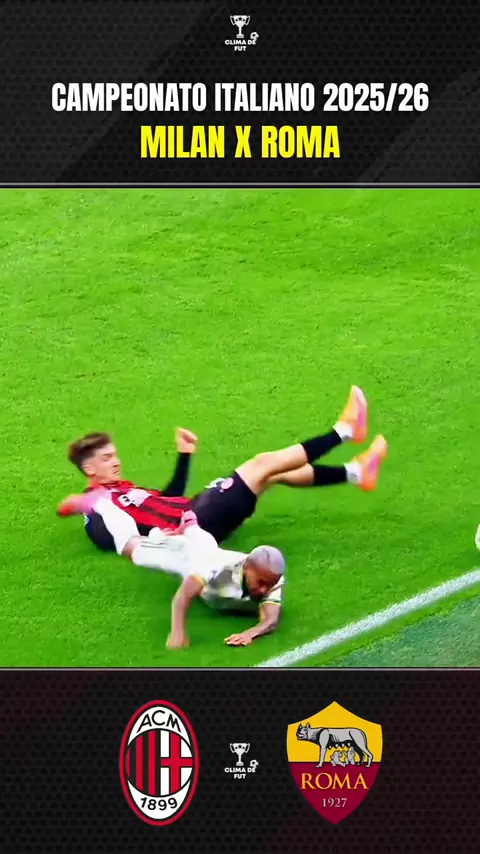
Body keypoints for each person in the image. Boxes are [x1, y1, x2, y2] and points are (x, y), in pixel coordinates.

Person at [57, 386, 388, 550]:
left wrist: (184, 456)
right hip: (196, 524)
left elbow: (170, 497)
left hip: (196, 512)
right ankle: (345, 430)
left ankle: (358, 473)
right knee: (261, 464)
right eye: (106, 458)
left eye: (114, 455)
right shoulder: (98, 506)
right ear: (89, 469)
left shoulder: (123, 489)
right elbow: (107, 537)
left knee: (273, 472)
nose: (116, 461)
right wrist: (158, 544)